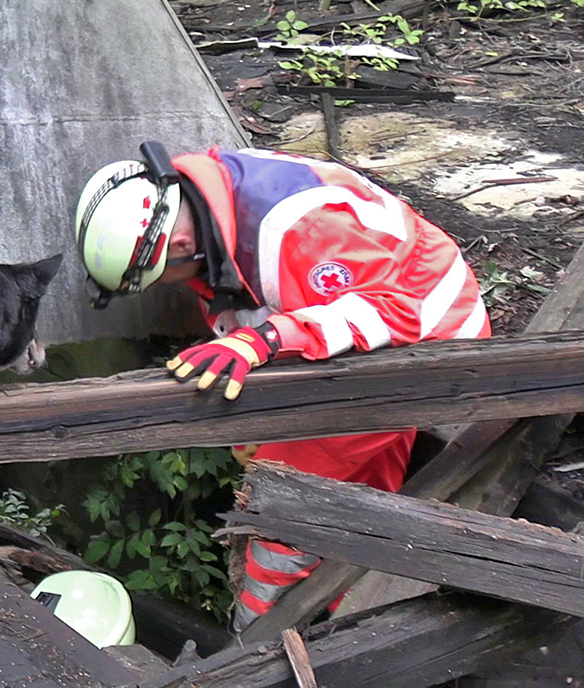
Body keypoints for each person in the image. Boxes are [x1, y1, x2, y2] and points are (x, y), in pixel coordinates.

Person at [73, 141, 490, 632]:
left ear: (180, 247)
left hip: (429, 345)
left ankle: (258, 638)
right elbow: (249, 296)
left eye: (164, 277)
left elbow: (392, 313)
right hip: (381, 336)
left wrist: (267, 340)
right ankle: (351, 611)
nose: (170, 285)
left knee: (282, 497)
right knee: (367, 499)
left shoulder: (296, 228)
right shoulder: (213, 206)